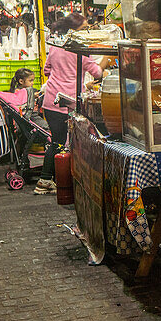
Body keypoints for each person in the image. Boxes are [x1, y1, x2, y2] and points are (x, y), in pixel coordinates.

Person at [34, 13, 102, 194]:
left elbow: (46, 70)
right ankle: (45, 180)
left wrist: (61, 74)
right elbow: (97, 73)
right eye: (85, 28)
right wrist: (106, 62)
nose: (87, 31)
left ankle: (54, 178)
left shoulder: (57, 46)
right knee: (60, 142)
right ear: (76, 30)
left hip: (51, 100)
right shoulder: (80, 49)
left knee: (57, 140)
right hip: (69, 102)